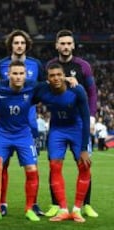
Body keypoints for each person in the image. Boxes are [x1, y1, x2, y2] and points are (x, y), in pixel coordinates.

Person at [0, 29, 45, 216]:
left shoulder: (36, 66)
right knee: (0, 166)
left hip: (27, 123)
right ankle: (0, 205)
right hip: (4, 125)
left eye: (22, 43)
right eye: (16, 43)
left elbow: (46, 86)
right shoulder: (0, 67)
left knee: (32, 166)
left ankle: (32, 206)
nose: (19, 45)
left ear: (27, 45)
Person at [45, 29, 98, 218]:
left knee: (84, 163)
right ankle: (55, 204)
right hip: (58, 122)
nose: (66, 47)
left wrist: (91, 116)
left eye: (69, 43)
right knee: (54, 163)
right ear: (57, 45)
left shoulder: (83, 66)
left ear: (73, 45)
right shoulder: (50, 65)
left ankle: (86, 205)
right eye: (63, 43)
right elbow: (45, 89)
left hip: (78, 122)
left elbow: (92, 92)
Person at [32, 63, 91, 222]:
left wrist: (84, 148)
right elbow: (27, 96)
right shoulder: (43, 91)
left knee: (84, 166)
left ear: (64, 76)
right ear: (47, 79)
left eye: (59, 74)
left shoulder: (77, 90)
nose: (56, 78)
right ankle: (63, 209)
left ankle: (77, 209)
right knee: (54, 166)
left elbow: (86, 120)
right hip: (57, 129)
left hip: (77, 128)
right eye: (52, 76)